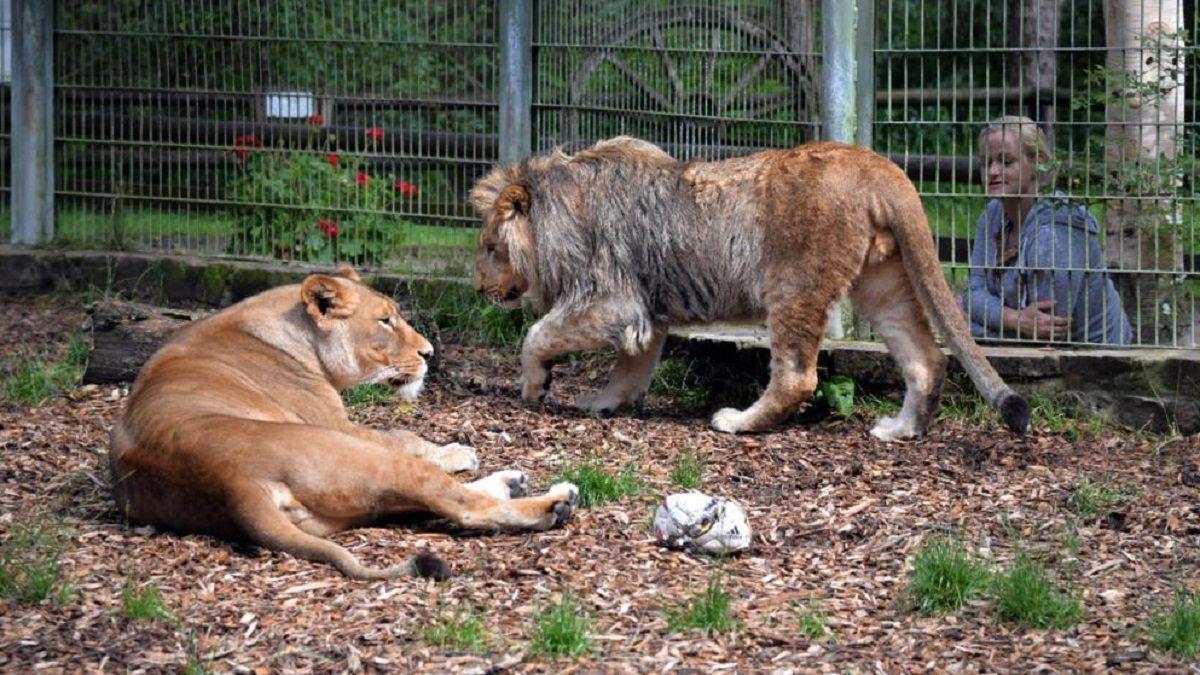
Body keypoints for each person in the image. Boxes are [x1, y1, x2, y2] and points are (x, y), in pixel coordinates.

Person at [961, 115, 1133, 345]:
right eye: (986, 162)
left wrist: (969, 327)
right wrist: (1016, 320)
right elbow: (973, 294)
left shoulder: (1056, 229)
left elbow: (1048, 332)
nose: (992, 171)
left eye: (1006, 161)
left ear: (1037, 161)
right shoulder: (991, 215)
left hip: (1095, 361)